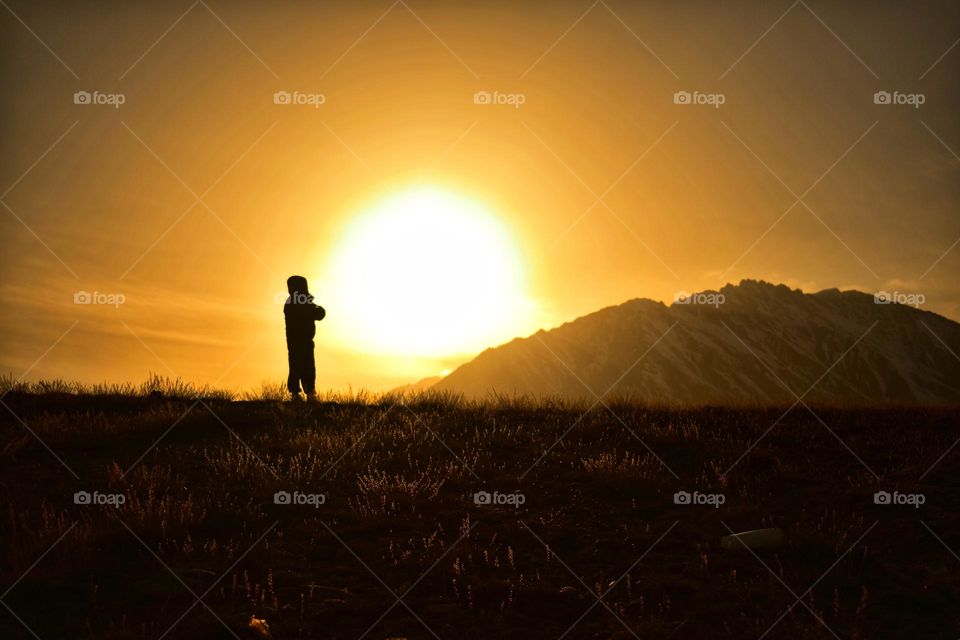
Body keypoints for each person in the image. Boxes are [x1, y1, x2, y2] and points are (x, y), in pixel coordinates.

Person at [283, 275, 326, 399]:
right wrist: (316, 306)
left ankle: (297, 393)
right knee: (306, 366)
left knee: (296, 366)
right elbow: (319, 313)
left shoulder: (291, 302)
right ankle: (309, 391)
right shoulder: (301, 303)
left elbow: (316, 313)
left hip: (294, 342)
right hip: (302, 341)